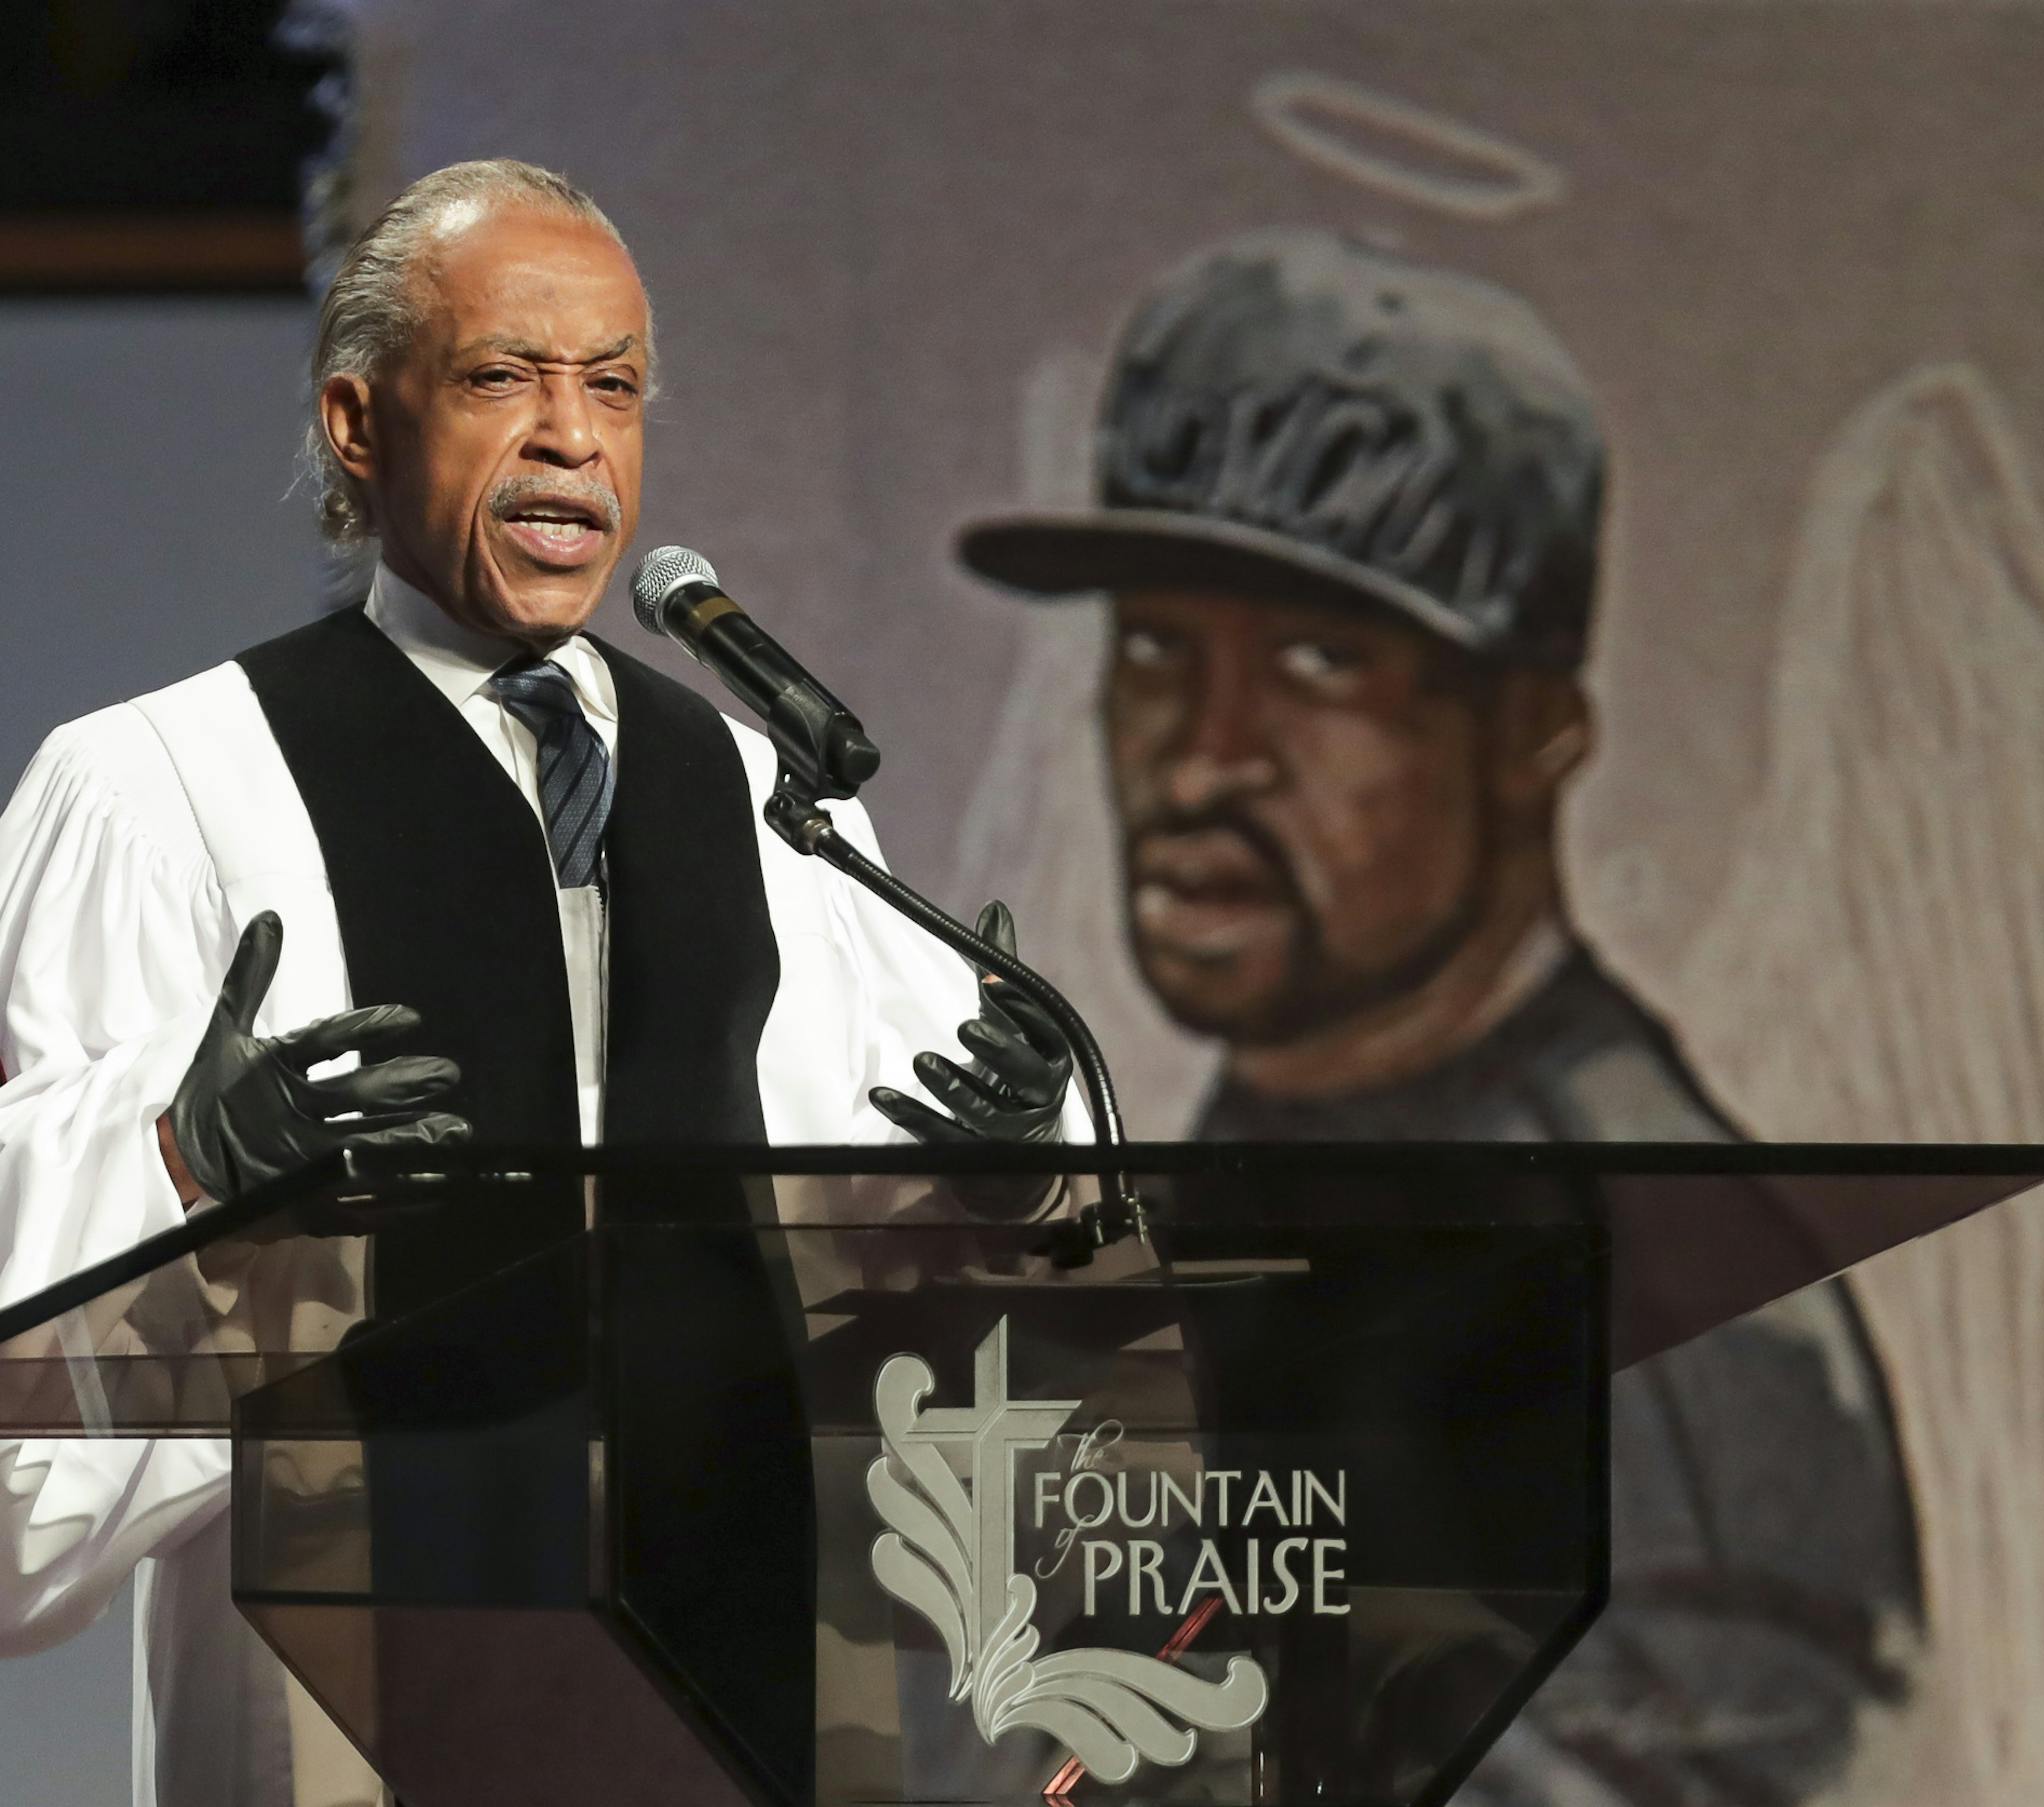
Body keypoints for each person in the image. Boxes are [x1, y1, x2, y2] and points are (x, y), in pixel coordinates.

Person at [0, 159, 1078, 1807]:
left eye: (616, 384)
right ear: (359, 423)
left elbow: (882, 1330)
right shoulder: (157, 785)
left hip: (738, 1691)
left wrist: (1004, 1183)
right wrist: (182, 1172)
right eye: (505, 375)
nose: (573, 434)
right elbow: (20, 1507)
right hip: (350, 1719)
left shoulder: (770, 801)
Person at [959, 230, 1924, 1803]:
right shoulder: (1260, 1157)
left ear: (1534, 732)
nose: (1205, 757)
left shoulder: (1671, 1326)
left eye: (1322, 663)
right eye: (1155, 648)